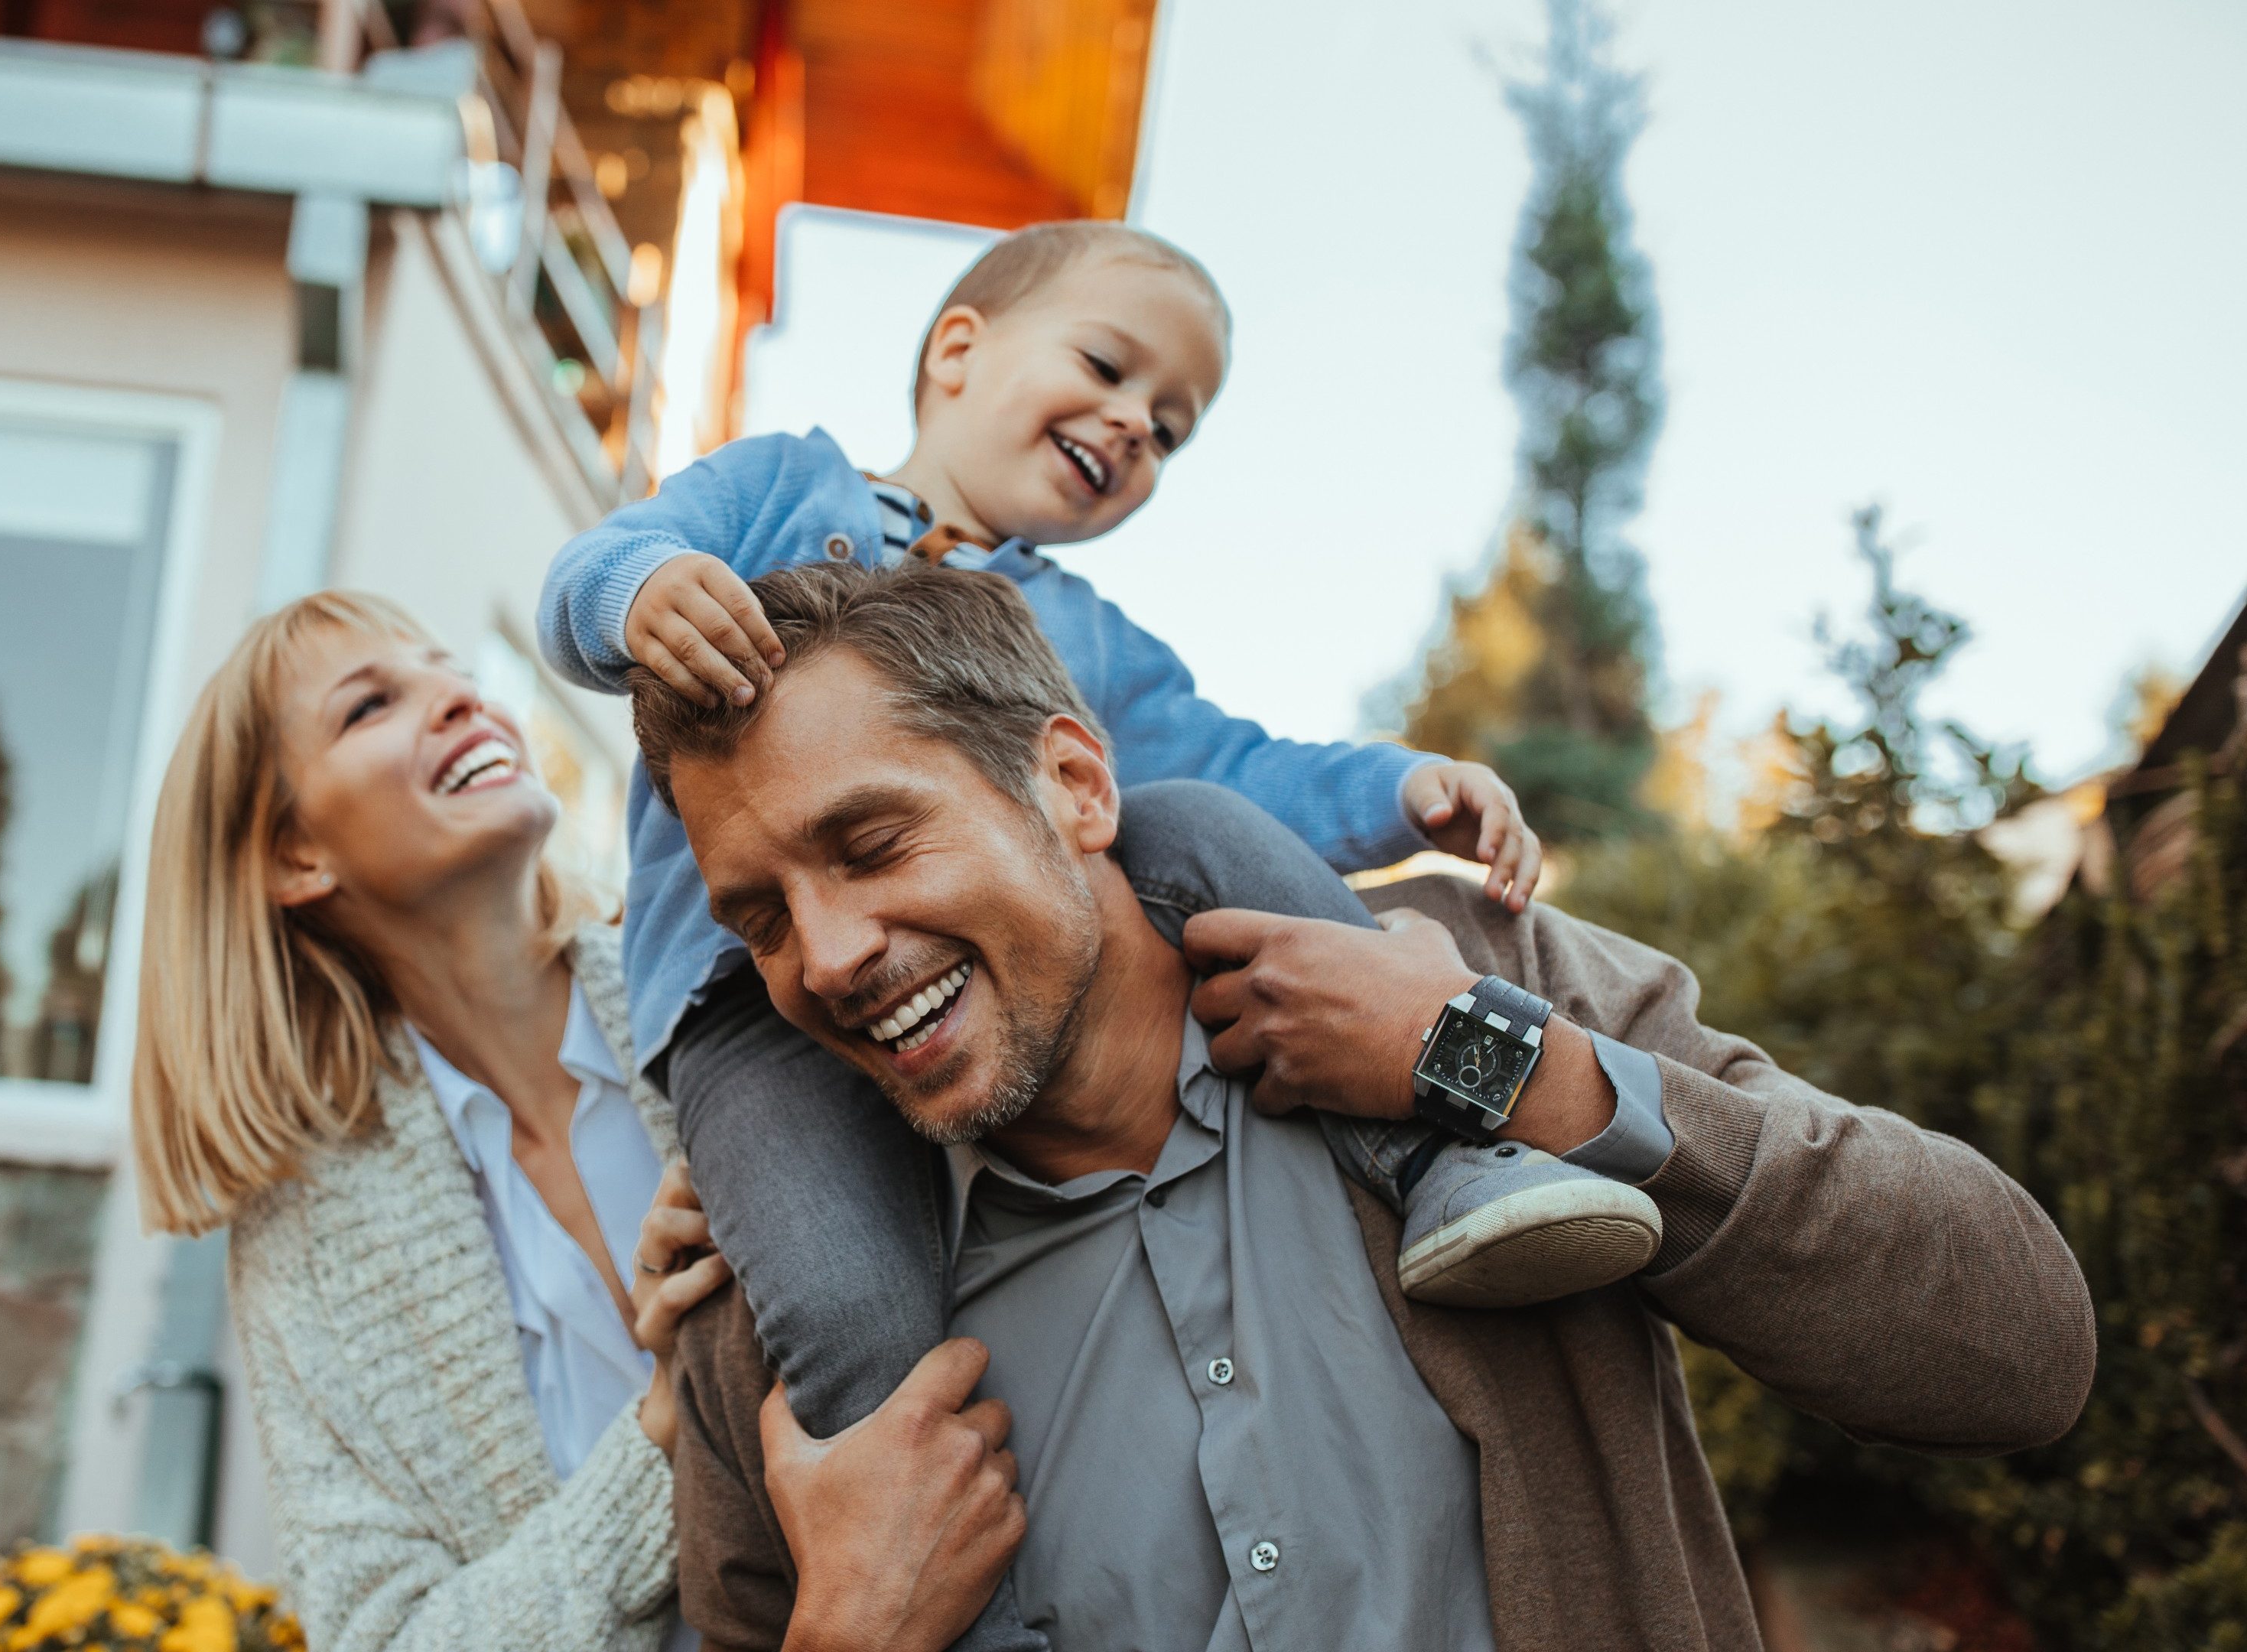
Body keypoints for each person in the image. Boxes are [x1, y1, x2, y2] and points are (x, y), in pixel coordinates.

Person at [540, 220, 1659, 1652]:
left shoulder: (1086, 640)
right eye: (1109, 365)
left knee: (1191, 817)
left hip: (994, 969)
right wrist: (634, 598)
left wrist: (1396, 790)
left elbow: (1238, 766)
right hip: (750, 1012)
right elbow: (604, 561)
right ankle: (974, 1612)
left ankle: (1444, 1160)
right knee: (842, 1295)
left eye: (1172, 427)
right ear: (958, 352)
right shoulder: (780, 490)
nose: (1136, 423)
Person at [634, 561, 2098, 1650]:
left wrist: (1503, 1069)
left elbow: (2016, 1350)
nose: (825, 958)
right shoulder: (773, 1335)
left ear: (1073, 784)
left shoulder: (1475, 980)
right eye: (759, 917)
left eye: (874, 842)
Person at [128, 591, 734, 1652]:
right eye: (371, 706)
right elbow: (385, 1638)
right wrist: (662, 1435)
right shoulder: (307, 1236)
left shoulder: (715, 1005)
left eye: (450, 669)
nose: (461, 698)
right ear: (294, 859)